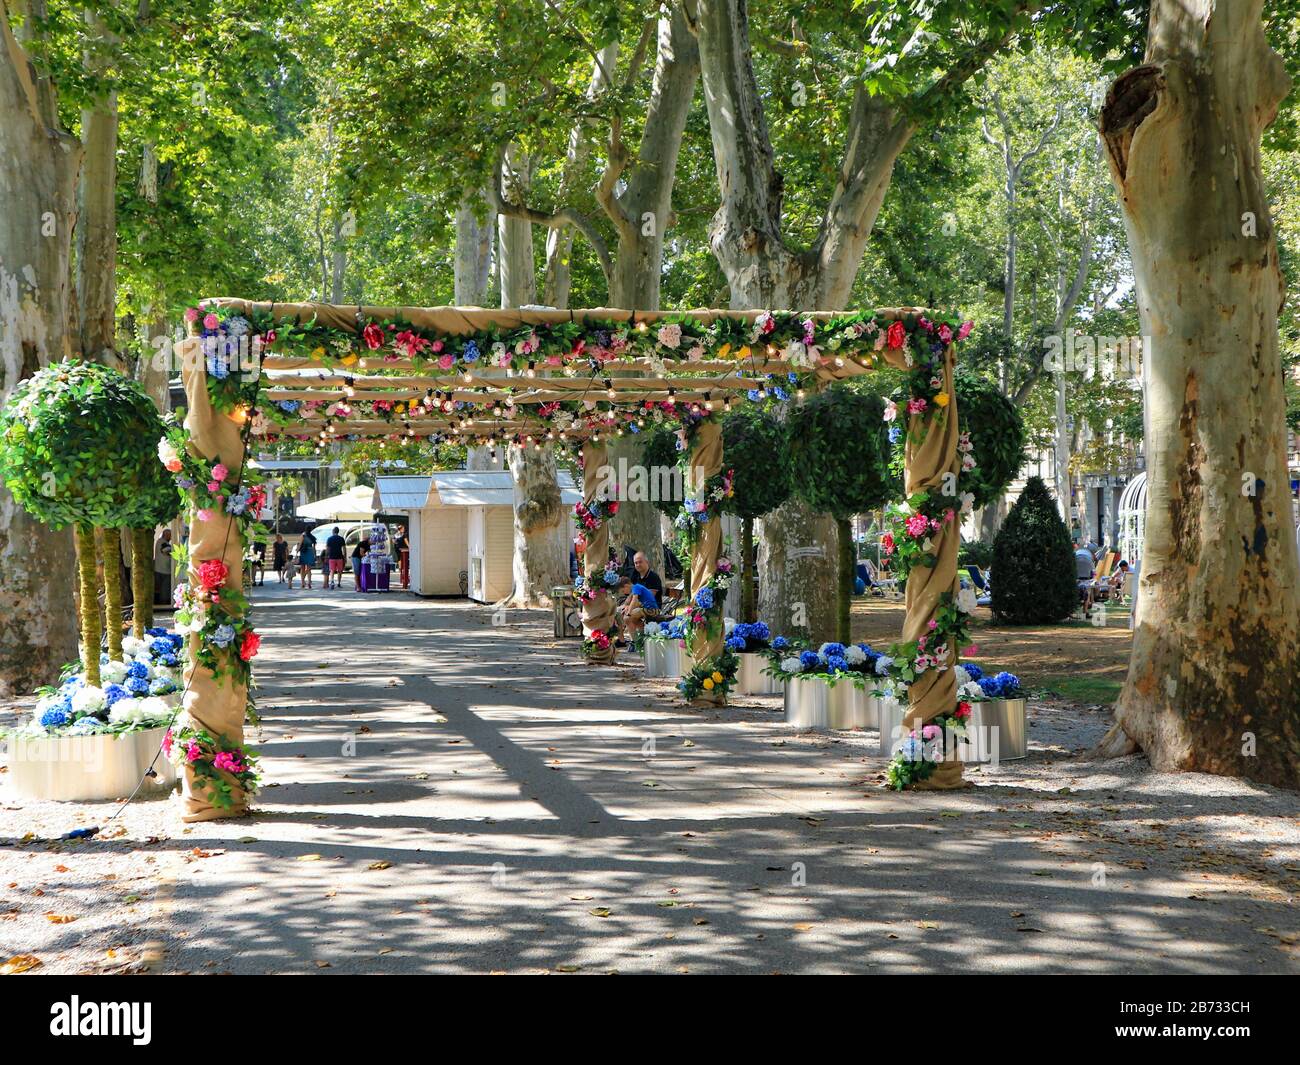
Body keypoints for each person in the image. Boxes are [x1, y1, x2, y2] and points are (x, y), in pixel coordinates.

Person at [615, 574, 658, 645]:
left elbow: (634, 601)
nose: (624, 593)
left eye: (623, 591)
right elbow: (629, 602)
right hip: (647, 609)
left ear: (626, 586)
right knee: (635, 620)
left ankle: (634, 642)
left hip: (652, 610)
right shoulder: (635, 588)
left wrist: (628, 613)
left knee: (627, 618)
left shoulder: (636, 587)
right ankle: (641, 639)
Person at [1073, 536, 1095, 609]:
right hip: (1087, 580)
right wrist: (1093, 578)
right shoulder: (1089, 561)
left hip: (1077, 581)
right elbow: (1093, 573)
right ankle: (1085, 611)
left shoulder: (1076, 560)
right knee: (1087, 593)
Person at [153, 529, 173, 605]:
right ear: (166, 535)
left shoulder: (161, 542)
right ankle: (163, 603)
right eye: (169, 535)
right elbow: (165, 550)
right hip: (163, 570)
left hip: (161, 569)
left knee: (162, 588)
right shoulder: (162, 542)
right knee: (164, 588)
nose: (171, 537)